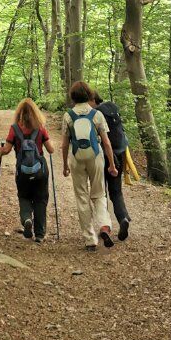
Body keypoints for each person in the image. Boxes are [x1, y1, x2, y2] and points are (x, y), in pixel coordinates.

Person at [61, 81, 118, 250]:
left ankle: (90, 239)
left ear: (73, 97)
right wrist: (112, 165)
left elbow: (64, 145)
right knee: (99, 194)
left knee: (82, 198)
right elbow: (106, 143)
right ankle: (104, 226)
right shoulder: (96, 114)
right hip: (96, 156)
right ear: (89, 95)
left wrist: (65, 165)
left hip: (77, 158)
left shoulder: (68, 116)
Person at [0, 98, 54, 243]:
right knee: (41, 199)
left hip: (22, 171)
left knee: (24, 196)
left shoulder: (15, 128)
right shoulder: (40, 127)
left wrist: (1, 149)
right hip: (40, 171)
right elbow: (51, 149)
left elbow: (6, 150)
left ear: (20, 113)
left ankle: (27, 219)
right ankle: (40, 235)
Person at [91, 91, 131, 241]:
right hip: (120, 152)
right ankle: (123, 219)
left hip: (104, 155)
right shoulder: (113, 107)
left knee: (101, 193)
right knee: (116, 191)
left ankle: (105, 227)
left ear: (93, 100)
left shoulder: (95, 114)